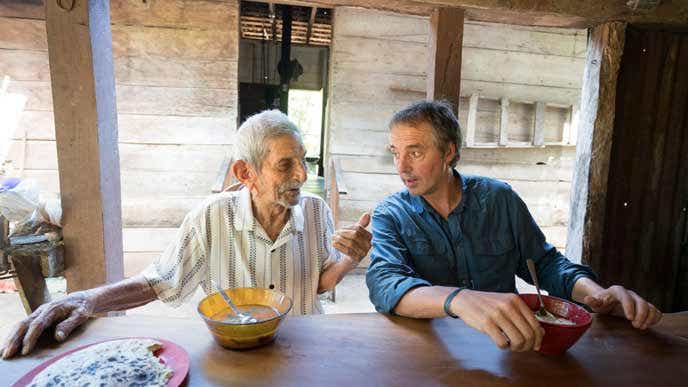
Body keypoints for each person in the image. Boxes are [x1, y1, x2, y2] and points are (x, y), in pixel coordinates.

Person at [2, 110, 372, 359]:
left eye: (303, 160)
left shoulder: (315, 211)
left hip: (305, 350)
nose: (303, 176)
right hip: (233, 358)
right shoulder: (210, 218)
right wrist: (86, 301)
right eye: (285, 165)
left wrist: (350, 260)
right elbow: (158, 282)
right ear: (245, 173)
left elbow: (317, 284)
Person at [366, 100, 662, 352]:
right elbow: (386, 284)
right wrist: (460, 301)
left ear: (448, 153)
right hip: (427, 352)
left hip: (507, 348)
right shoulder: (390, 214)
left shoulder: (498, 199)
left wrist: (595, 295)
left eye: (415, 153)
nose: (401, 167)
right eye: (395, 152)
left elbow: (545, 263)